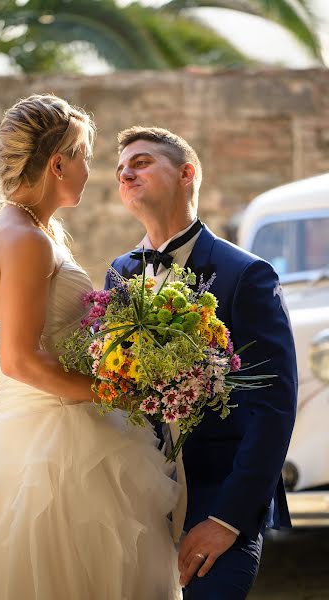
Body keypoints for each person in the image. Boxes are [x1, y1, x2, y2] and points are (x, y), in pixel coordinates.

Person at [0, 97, 181, 600]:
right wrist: (116, 392)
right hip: (53, 446)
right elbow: (18, 358)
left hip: (53, 428)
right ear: (58, 162)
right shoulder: (25, 239)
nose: (93, 170)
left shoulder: (29, 229)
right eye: (85, 155)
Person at [105, 126, 298, 599]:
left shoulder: (246, 275)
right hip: (136, 506)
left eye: (143, 162)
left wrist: (228, 520)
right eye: (121, 168)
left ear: (187, 173)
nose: (126, 172)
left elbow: (274, 408)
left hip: (217, 503)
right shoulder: (119, 274)